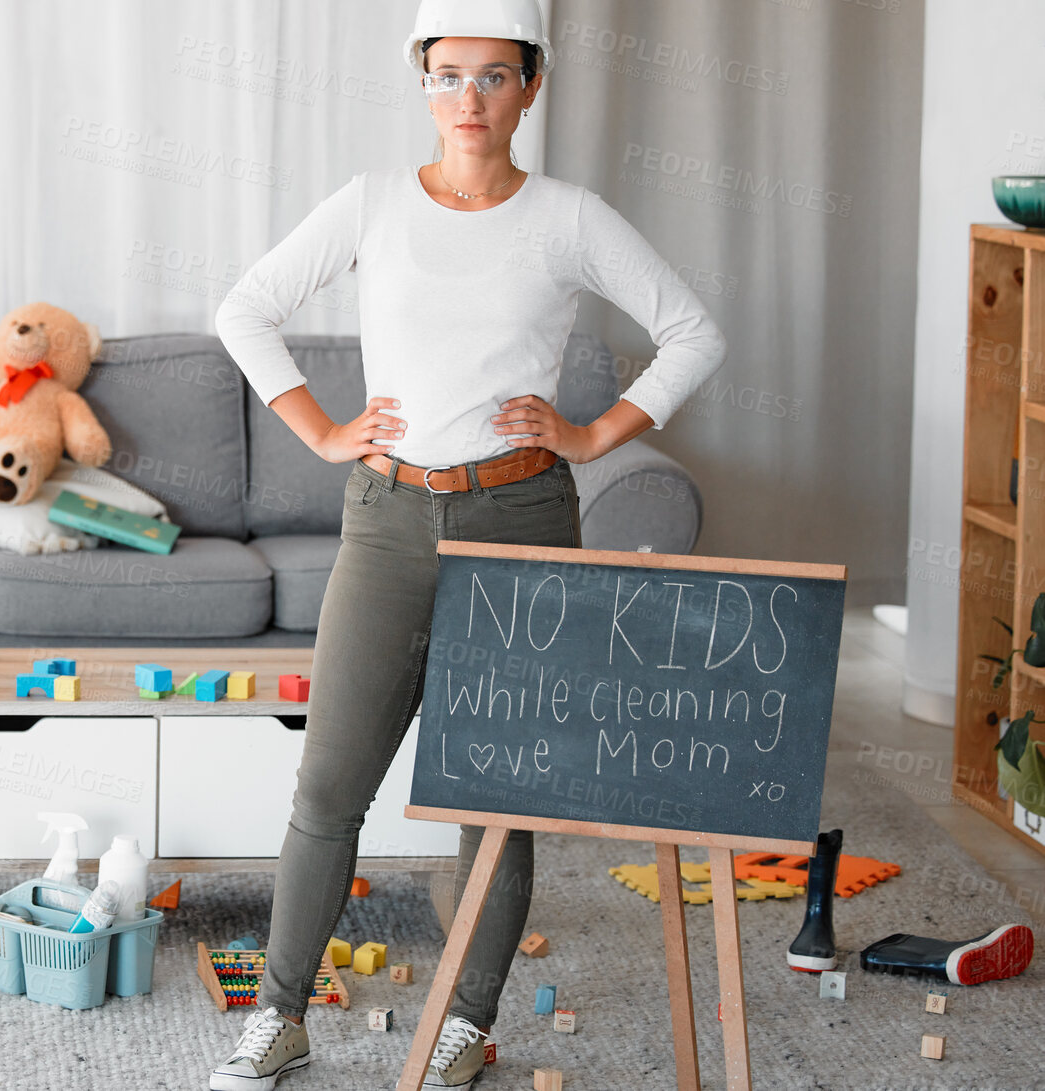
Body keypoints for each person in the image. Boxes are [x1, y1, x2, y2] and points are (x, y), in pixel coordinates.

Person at [206, 1, 727, 1087]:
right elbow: (244, 308)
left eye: (494, 77)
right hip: (387, 517)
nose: (469, 100)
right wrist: (319, 427)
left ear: (530, 86)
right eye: (448, 76)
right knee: (327, 784)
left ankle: (465, 1023)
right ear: (423, 82)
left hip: (522, 520)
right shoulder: (373, 205)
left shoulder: (569, 217)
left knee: (497, 794)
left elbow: (692, 330)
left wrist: (591, 434)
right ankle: (279, 1014)